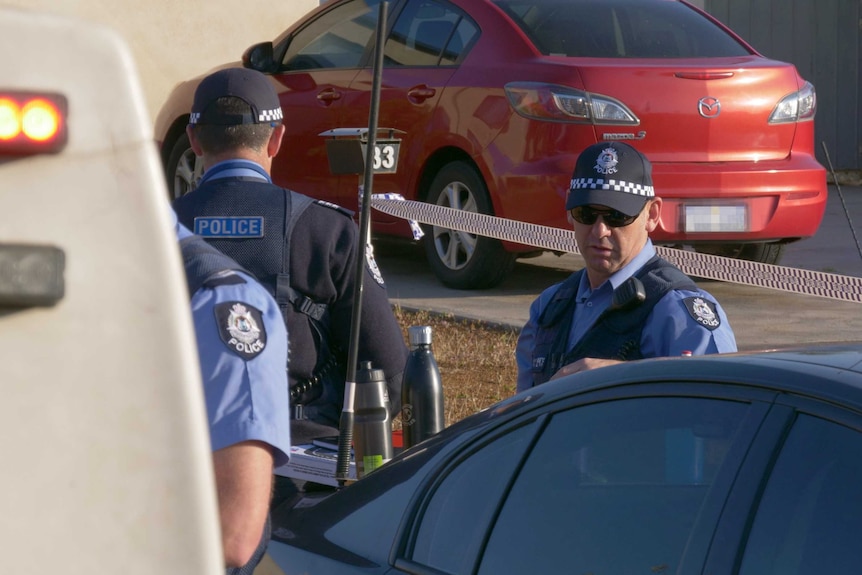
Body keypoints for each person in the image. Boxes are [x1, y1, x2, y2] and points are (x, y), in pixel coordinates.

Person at [173, 67, 408, 449]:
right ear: (277, 139)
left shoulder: (155, 230)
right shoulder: (326, 229)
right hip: (303, 464)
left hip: (182, 458)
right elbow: (390, 375)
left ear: (193, 140)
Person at [515, 141, 737, 391]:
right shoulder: (549, 307)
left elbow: (717, 407)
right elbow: (523, 412)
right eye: (586, 214)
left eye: (617, 216)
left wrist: (626, 378)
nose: (600, 231)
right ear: (569, 208)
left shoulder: (678, 314)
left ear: (652, 214)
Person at [176, 211, 291, 574]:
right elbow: (389, 362)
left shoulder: (221, 298)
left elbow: (234, 533)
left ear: (192, 150)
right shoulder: (320, 225)